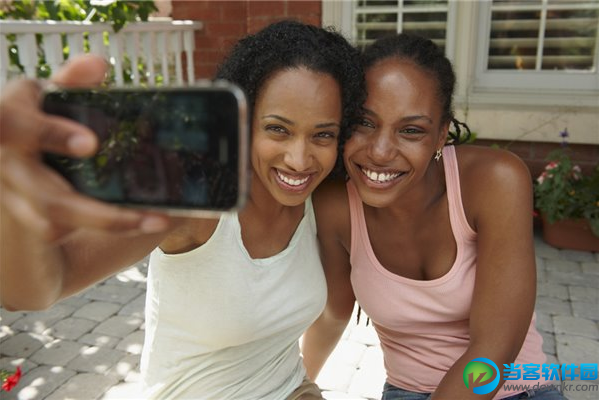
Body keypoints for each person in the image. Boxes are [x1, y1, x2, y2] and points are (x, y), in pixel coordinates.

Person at [0, 20, 365, 399]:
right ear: (244, 122)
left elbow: (338, 309)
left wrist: (306, 386)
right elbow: (34, 291)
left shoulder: (323, 200)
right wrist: (15, 210)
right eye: (278, 129)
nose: (299, 159)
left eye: (323, 134)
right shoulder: (196, 199)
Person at [302, 33, 564, 400]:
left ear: (441, 135)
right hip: (408, 391)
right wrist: (299, 383)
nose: (380, 152)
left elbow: (494, 349)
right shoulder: (334, 205)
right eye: (364, 122)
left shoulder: (494, 181)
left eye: (411, 130)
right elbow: (333, 314)